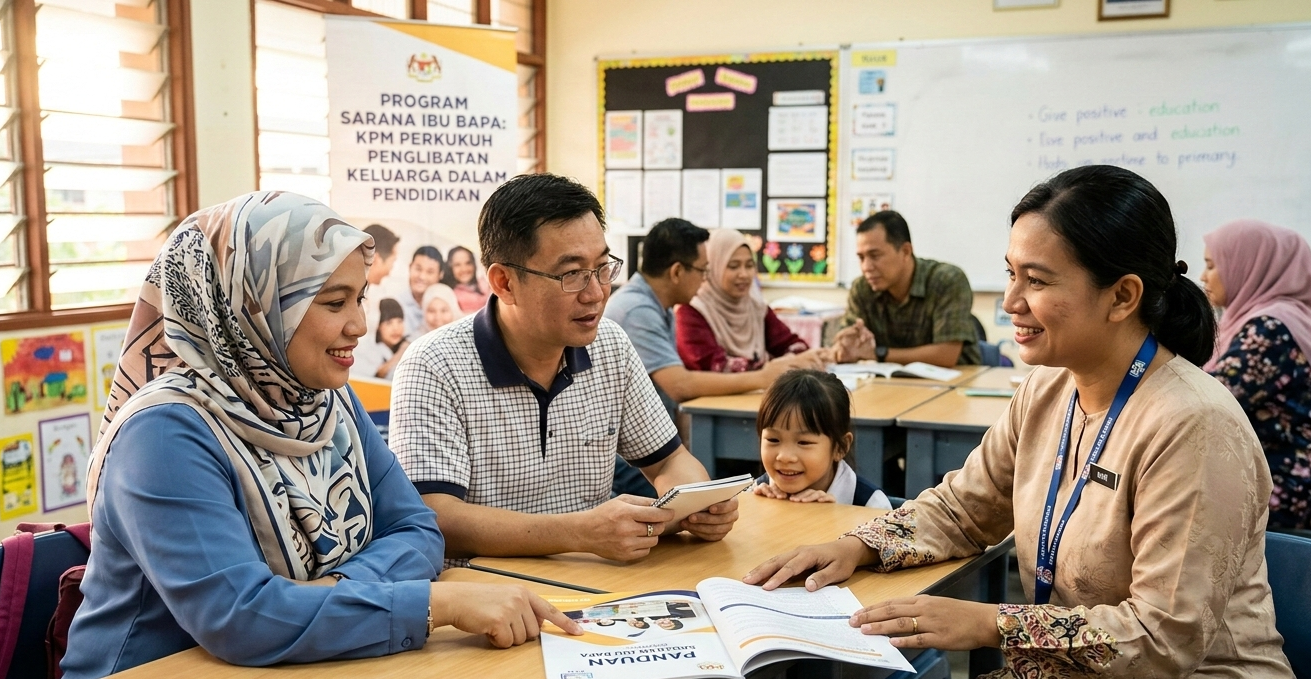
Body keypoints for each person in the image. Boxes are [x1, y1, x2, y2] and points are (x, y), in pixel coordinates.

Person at [744, 166, 1293, 677]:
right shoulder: (1049, 387)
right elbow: (964, 509)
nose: (1010, 301)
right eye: (1011, 274)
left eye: (1036, 280)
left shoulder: (1193, 425)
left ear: (1123, 296)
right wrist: (856, 546)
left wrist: (988, 624)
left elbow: (1163, 637)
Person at [64, 192, 579, 679]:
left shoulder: (326, 400)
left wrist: (327, 595)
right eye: (334, 303)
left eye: (360, 298)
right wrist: (432, 604)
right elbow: (240, 618)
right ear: (253, 307)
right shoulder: (164, 432)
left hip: (307, 661)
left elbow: (418, 530)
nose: (359, 324)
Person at [390, 173, 739, 566]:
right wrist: (579, 533)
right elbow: (435, 517)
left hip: (600, 582)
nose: (595, 293)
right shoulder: (433, 365)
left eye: (603, 268)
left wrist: (695, 503)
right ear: (504, 283)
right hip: (489, 599)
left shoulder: (610, 345)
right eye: (571, 274)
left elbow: (670, 460)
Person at [606, 218, 823, 496]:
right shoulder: (638, 311)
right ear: (676, 272)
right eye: (702, 271)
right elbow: (680, 386)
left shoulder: (659, 306)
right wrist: (763, 377)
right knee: (706, 505)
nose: (705, 279)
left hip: (650, 444)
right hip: (628, 456)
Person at [1201, 219, 1311, 530]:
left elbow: (1209, 397)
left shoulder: (1272, 328)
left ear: (1249, 266)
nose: (1202, 277)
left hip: (1278, 492)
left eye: (1212, 265)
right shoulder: (1261, 319)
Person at [831, 211, 981, 367]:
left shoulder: (947, 280)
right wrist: (845, 346)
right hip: (887, 383)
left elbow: (945, 355)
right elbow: (847, 345)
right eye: (861, 258)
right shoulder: (862, 288)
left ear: (905, 251)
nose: (866, 267)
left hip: (956, 382)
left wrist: (877, 353)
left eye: (875, 256)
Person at [675, 228, 828, 373]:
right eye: (733, 266)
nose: (744, 274)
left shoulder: (755, 306)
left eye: (749, 266)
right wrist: (775, 367)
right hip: (705, 400)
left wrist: (799, 359)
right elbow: (714, 366)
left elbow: (793, 344)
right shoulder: (691, 311)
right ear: (712, 268)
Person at [752, 369, 891, 509]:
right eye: (773, 440)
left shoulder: (871, 507)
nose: (785, 457)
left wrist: (830, 519)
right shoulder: (750, 496)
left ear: (840, 447)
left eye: (803, 442)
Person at [352, 297, 409, 380]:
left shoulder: (409, 344)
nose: (396, 328)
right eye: (389, 323)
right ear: (378, 325)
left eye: (399, 321)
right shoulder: (365, 348)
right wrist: (400, 354)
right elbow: (379, 374)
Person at [400, 246, 451, 338]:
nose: (422, 276)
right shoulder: (398, 303)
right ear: (410, 267)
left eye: (430, 272)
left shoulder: (449, 302)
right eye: (418, 269)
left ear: (441, 274)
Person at [443, 244, 491, 313]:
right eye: (457, 265)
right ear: (450, 267)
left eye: (468, 263)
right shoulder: (448, 294)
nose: (464, 269)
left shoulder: (486, 284)